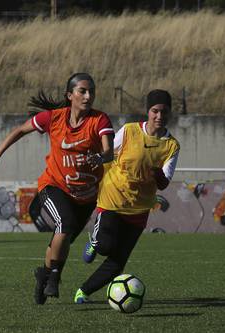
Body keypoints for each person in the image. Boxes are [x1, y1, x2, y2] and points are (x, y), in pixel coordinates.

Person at [0, 73, 114, 304]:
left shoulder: (100, 120)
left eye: (91, 91)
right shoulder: (52, 118)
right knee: (65, 225)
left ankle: (43, 275)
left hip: (86, 196)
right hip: (54, 185)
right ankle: (53, 277)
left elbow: (109, 152)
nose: (88, 96)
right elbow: (21, 130)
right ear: (69, 95)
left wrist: (99, 158)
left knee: (60, 239)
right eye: (82, 91)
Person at [73, 89, 180, 303]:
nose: (159, 116)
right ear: (148, 111)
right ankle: (94, 242)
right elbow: (108, 151)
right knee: (104, 246)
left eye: (164, 112)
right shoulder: (130, 131)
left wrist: (155, 171)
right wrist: (96, 159)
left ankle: (83, 291)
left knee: (118, 260)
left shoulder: (171, 146)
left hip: (139, 209)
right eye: (155, 111)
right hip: (113, 197)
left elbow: (164, 183)